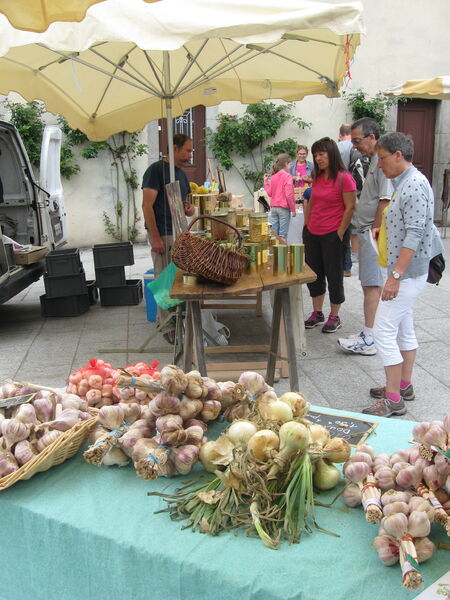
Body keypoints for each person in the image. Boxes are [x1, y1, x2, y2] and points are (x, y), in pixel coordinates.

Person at [362, 132, 444, 417]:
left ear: (399, 155)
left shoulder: (414, 185)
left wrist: (395, 276)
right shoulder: (405, 182)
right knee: (403, 328)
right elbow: (405, 223)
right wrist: (382, 232)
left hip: (406, 274)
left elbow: (416, 232)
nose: (380, 165)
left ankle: (394, 398)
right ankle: (404, 386)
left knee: (383, 330)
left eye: (382, 159)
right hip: (405, 271)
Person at [337, 117, 393, 356]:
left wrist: (375, 233)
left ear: (372, 137)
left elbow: (384, 200)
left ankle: (371, 337)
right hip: (368, 230)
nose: (355, 146)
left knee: (372, 285)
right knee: (369, 283)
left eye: (358, 141)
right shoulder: (372, 161)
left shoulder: (382, 163)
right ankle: (371, 332)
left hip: (372, 231)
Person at [142, 133, 195, 344]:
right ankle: (166, 326)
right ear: (174, 148)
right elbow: (147, 206)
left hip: (179, 234)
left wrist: (188, 209)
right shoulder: (155, 171)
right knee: (163, 281)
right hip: (162, 234)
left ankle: (178, 319)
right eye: (188, 150)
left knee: (178, 280)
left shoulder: (181, 174)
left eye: (191, 151)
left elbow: (185, 206)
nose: (190, 154)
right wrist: (155, 238)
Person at [303, 137, 356, 333]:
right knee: (314, 276)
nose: (318, 158)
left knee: (334, 276)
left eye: (321, 154)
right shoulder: (317, 177)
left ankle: (335, 316)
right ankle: (317, 313)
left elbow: (350, 207)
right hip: (313, 233)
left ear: (331, 154)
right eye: (315, 155)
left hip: (333, 234)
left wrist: (340, 232)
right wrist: (307, 226)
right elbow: (313, 202)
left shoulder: (344, 177)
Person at [264, 153, 296, 242]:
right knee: (283, 236)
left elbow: (270, 193)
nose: (290, 165)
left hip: (274, 208)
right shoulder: (287, 176)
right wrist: (293, 209)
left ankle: (274, 255)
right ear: (286, 163)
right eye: (290, 163)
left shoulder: (274, 176)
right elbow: (289, 194)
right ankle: (283, 255)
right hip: (283, 208)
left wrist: (265, 182)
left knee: (274, 235)